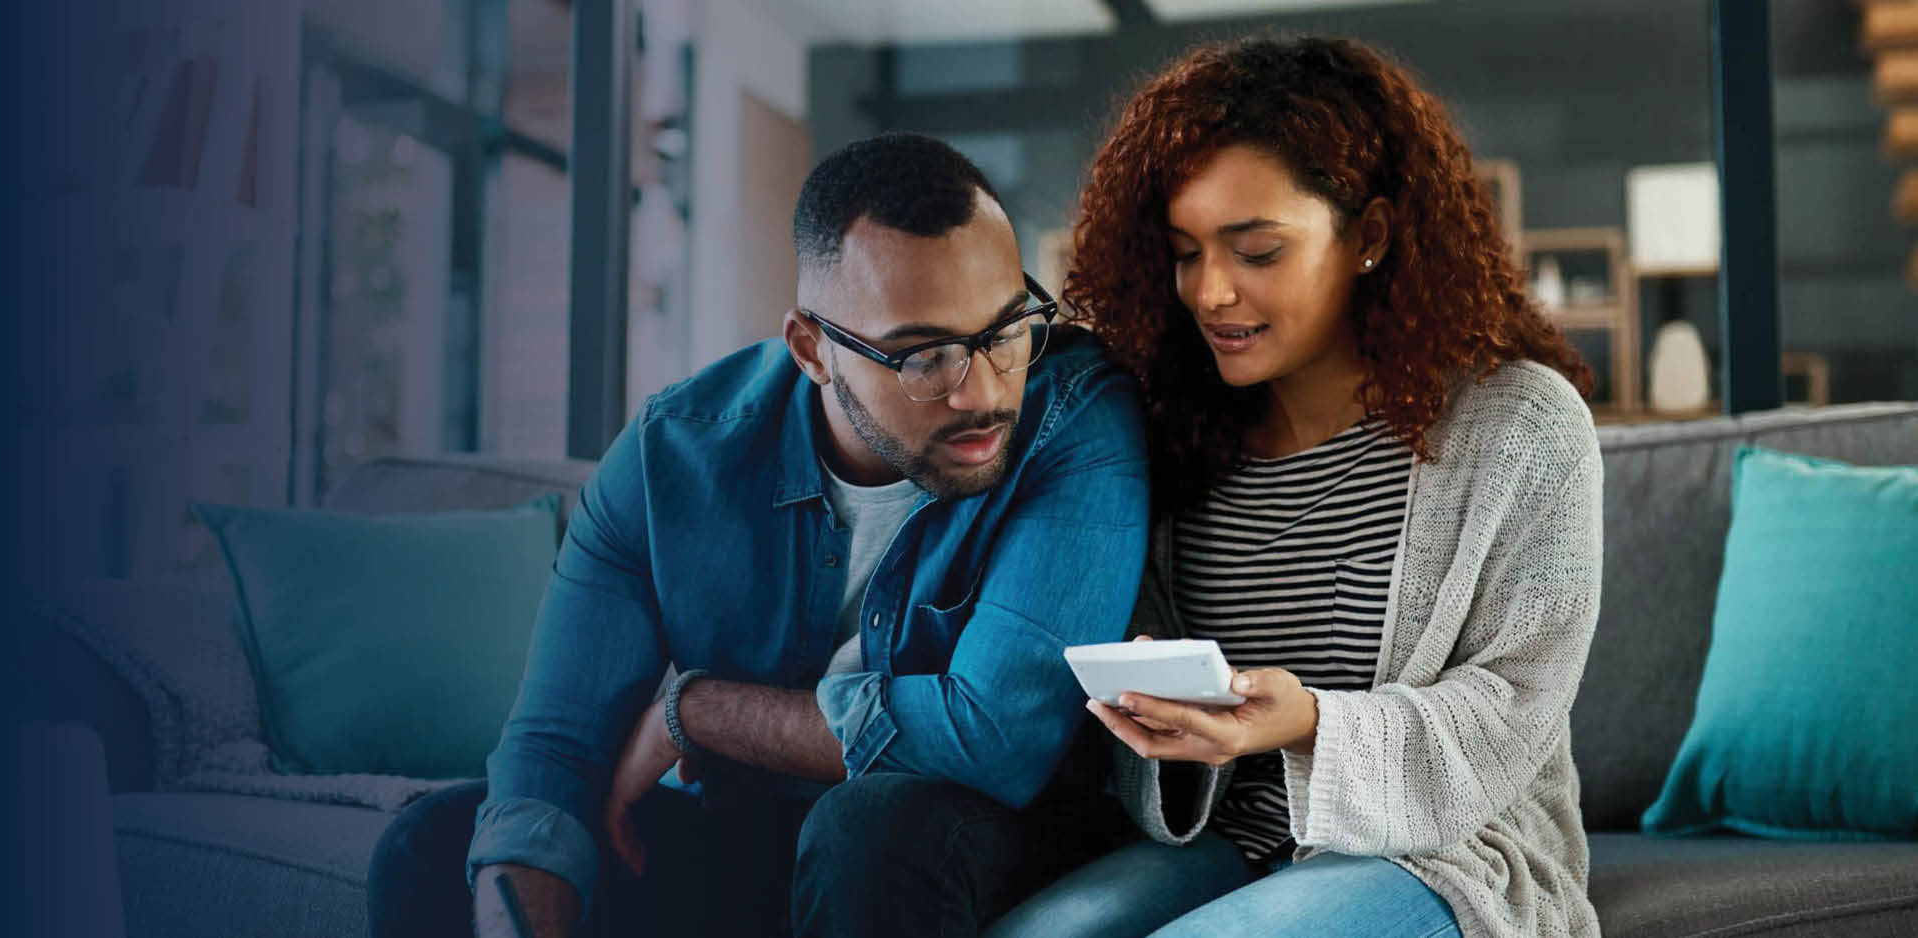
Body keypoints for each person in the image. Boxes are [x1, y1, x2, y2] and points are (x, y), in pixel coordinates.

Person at [366, 131, 1151, 938]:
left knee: (871, 828)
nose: (982, 392)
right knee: (435, 845)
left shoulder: (1074, 418)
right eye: (922, 356)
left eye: (1004, 330)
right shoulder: (674, 453)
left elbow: (995, 737)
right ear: (812, 350)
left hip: (972, 836)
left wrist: (696, 710)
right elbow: (557, 739)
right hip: (754, 831)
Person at [988, 35, 1604, 938]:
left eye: (1256, 251)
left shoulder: (1517, 426)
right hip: (1230, 844)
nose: (1209, 292)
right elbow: (1155, 753)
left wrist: (1308, 723)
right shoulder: (1172, 437)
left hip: (1446, 858)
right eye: (1185, 251)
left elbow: (1512, 710)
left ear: (1371, 237)